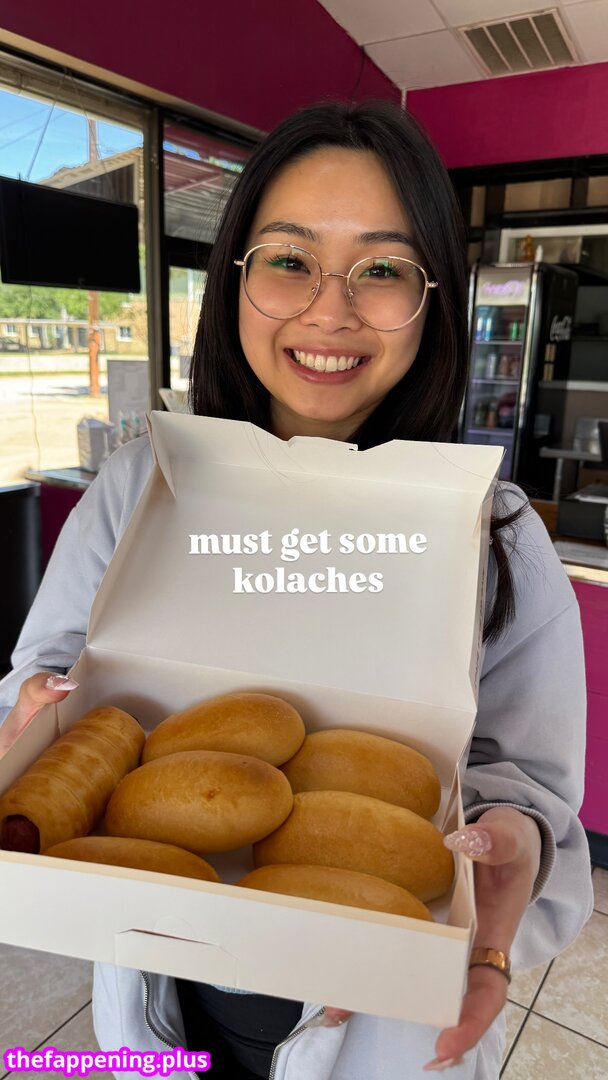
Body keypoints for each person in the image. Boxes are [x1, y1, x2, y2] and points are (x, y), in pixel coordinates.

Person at [0, 100, 593, 1080]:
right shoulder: (138, 489)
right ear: (233, 277)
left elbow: (523, 785)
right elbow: (42, 677)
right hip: (161, 990)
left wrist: (514, 847)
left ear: (431, 298)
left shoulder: (498, 538)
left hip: (386, 1024)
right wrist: (34, 718)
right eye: (289, 259)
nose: (329, 311)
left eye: (381, 269)